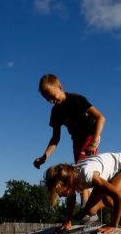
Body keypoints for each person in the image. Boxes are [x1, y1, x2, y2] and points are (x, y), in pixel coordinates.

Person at [33, 73, 106, 209]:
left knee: (80, 171)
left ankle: (87, 206)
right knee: (77, 173)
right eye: (47, 99)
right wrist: (44, 157)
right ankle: (90, 206)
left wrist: (94, 142)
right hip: (76, 141)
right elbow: (55, 139)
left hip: (90, 136)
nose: (51, 101)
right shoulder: (55, 112)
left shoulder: (77, 100)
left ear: (60, 87)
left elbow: (101, 118)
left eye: (51, 96)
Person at [45, 152, 121, 234]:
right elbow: (71, 197)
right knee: (90, 210)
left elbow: (120, 198)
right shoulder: (71, 176)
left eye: (60, 192)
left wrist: (113, 224)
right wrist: (68, 221)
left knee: (110, 200)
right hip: (105, 175)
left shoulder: (87, 175)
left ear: (68, 182)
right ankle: (94, 205)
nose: (60, 196)